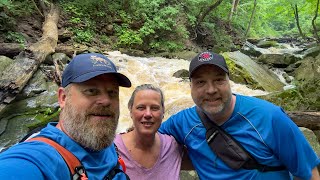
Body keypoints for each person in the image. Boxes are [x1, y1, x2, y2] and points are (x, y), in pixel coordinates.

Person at [159, 51, 320, 179]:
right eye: (201, 82)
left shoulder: (270, 117)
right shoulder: (182, 122)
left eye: (218, 80)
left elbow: (308, 174)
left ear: (229, 82)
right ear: (190, 86)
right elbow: (147, 141)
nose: (211, 90)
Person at [0, 53, 132, 179]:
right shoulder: (36, 158)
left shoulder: (105, 144)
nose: (106, 101)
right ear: (63, 98)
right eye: (92, 91)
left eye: (112, 92)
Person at [114, 84, 183, 180]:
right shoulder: (111, 148)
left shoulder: (172, 146)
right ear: (130, 111)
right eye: (141, 107)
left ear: (163, 112)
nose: (148, 114)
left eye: (154, 108)